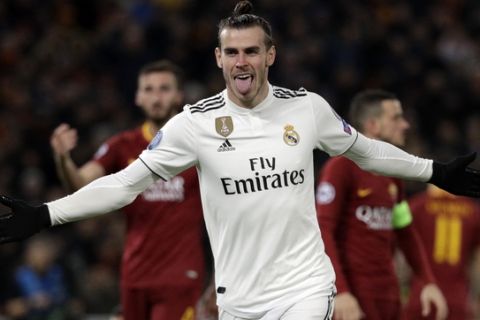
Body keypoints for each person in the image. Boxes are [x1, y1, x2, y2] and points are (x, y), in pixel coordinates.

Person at [0, 1, 480, 319]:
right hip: (239, 298)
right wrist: (46, 213)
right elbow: (124, 184)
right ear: (217, 58)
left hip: (305, 286)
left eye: (252, 51)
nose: (242, 61)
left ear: (271, 54)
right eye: (232, 52)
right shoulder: (193, 124)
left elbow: (368, 151)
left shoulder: (307, 108)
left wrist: (435, 171)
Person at [49, 60, 209, 320]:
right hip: (134, 274)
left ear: (179, 95)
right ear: (138, 96)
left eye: (164, 88)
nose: (156, 97)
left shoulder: (198, 144)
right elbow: (78, 184)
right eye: (149, 89)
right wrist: (63, 159)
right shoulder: (122, 145)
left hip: (180, 274)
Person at [315, 90, 448, 320]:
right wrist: (340, 292)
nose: (405, 125)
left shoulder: (393, 174)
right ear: (373, 125)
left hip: (388, 294)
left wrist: (428, 281)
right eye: (396, 118)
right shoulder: (341, 167)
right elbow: (323, 230)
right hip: (353, 299)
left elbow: (405, 230)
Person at [402, 183, 480, 319]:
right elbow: (477, 262)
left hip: (421, 296)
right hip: (457, 299)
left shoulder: (416, 206)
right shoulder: (472, 211)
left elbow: (400, 253)